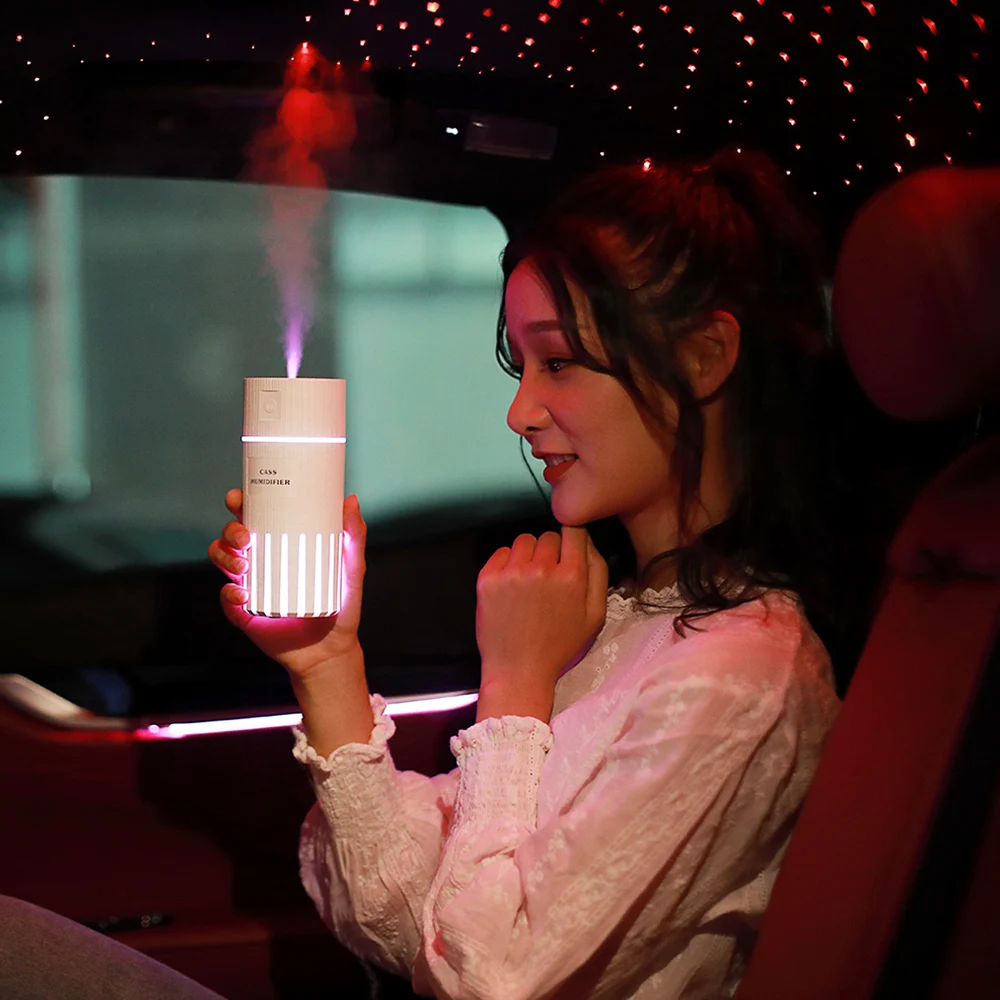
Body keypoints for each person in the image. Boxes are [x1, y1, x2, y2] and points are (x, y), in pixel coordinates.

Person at [208, 147, 843, 999]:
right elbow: (400, 922)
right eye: (522, 365)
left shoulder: (739, 678)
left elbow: (488, 977)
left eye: (560, 362)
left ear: (703, 357)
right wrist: (327, 665)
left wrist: (512, 686)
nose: (519, 412)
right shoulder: (612, 616)